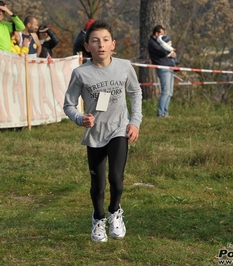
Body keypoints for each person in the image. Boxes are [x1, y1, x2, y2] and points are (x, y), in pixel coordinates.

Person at [63, 20, 142, 242]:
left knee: (116, 179)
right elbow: (68, 105)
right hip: (95, 135)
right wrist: (81, 118)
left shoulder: (124, 66)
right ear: (87, 46)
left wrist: (134, 122)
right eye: (95, 41)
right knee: (98, 185)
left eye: (105, 40)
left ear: (113, 44)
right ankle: (98, 219)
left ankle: (115, 212)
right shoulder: (81, 73)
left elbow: (135, 93)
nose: (101, 45)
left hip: (119, 129)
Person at [148, 25, 176, 118]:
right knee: (166, 91)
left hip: (169, 68)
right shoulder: (152, 43)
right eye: (161, 34)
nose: (163, 36)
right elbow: (161, 51)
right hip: (163, 68)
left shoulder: (159, 42)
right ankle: (161, 113)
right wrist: (170, 52)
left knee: (170, 92)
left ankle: (165, 112)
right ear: (156, 33)